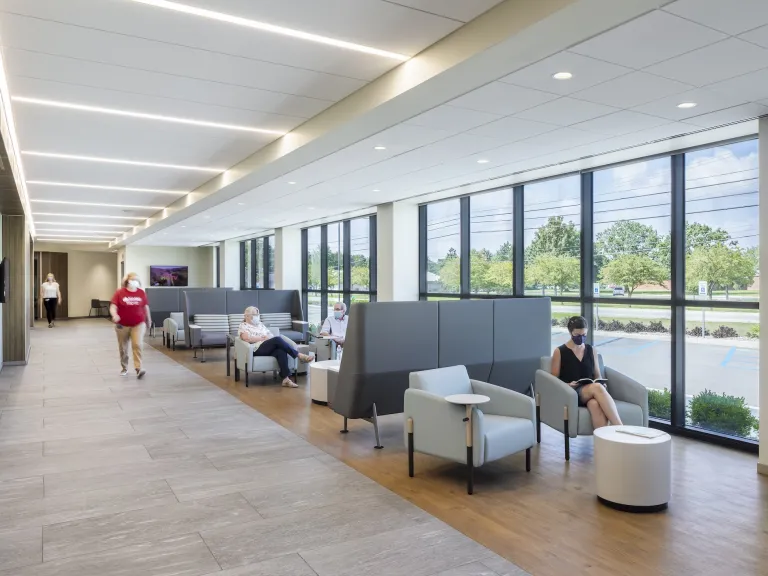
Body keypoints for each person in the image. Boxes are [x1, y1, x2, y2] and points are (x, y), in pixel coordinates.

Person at [550, 316, 622, 429]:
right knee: (597, 388)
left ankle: (603, 439)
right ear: (570, 332)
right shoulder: (559, 351)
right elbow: (553, 381)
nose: (581, 338)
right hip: (571, 393)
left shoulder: (591, 350)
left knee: (594, 404)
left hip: (590, 392)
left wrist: (601, 383)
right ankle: (620, 427)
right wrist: (568, 385)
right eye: (577, 335)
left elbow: (597, 375)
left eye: (584, 335)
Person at [239, 306, 315, 388]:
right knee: (277, 339)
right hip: (256, 348)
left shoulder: (260, 325)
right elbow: (246, 338)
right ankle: (299, 355)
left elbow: (270, 335)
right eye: (255, 315)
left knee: (281, 351)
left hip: (267, 346)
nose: (257, 316)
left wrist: (266, 338)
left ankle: (286, 379)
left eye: (257, 314)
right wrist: (261, 338)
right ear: (247, 316)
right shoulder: (243, 325)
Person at [110, 272, 151, 378]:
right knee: (123, 348)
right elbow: (113, 306)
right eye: (133, 279)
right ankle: (124, 368)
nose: (135, 282)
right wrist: (114, 315)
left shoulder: (141, 293)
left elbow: (145, 307)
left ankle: (139, 368)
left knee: (137, 344)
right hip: (122, 325)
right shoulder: (120, 292)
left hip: (138, 323)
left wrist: (149, 319)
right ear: (127, 281)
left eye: (137, 280)